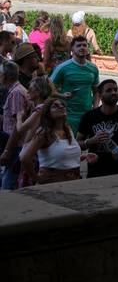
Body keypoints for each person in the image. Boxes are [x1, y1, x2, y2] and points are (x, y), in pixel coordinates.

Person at [19, 100, 94, 185]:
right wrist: (36, 178)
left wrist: (82, 157)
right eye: (55, 106)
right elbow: (24, 158)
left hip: (74, 183)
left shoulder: (68, 129)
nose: (61, 107)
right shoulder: (45, 133)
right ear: (48, 113)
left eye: (62, 105)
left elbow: (59, 157)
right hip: (53, 186)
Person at [78, 80, 118, 178]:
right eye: (109, 90)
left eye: (115, 90)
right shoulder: (89, 116)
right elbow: (78, 144)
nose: (113, 92)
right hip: (95, 170)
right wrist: (92, 141)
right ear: (100, 95)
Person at [49, 36, 99, 137]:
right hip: (67, 115)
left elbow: (96, 91)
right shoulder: (62, 68)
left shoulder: (93, 68)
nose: (82, 48)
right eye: (78, 45)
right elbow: (49, 89)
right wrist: (62, 96)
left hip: (87, 115)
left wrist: (95, 109)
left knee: (84, 146)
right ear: (72, 49)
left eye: (84, 45)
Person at [0, 61, 32, 189]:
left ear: (5, 76)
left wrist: (7, 151)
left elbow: (17, 127)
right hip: (12, 143)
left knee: (9, 183)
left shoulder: (16, 93)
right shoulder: (14, 91)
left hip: (15, 145)